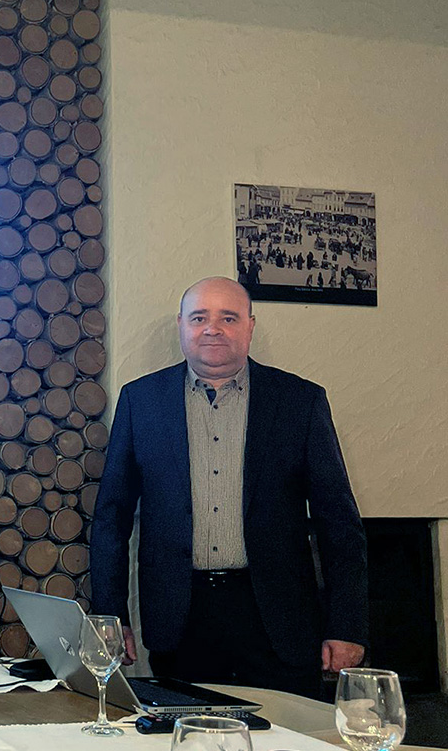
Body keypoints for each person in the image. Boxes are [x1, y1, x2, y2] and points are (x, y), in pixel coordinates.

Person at [90, 277, 367, 697]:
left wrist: (347, 625)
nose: (213, 329)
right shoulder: (141, 401)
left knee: (287, 735)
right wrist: (110, 617)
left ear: (250, 326)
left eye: (229, 318)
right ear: (181, 325)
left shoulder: (300, 401)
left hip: (278, 619)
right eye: (199, 318)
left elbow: (339, 523)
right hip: (180, 619)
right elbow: (111, 518)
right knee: (188, 735)